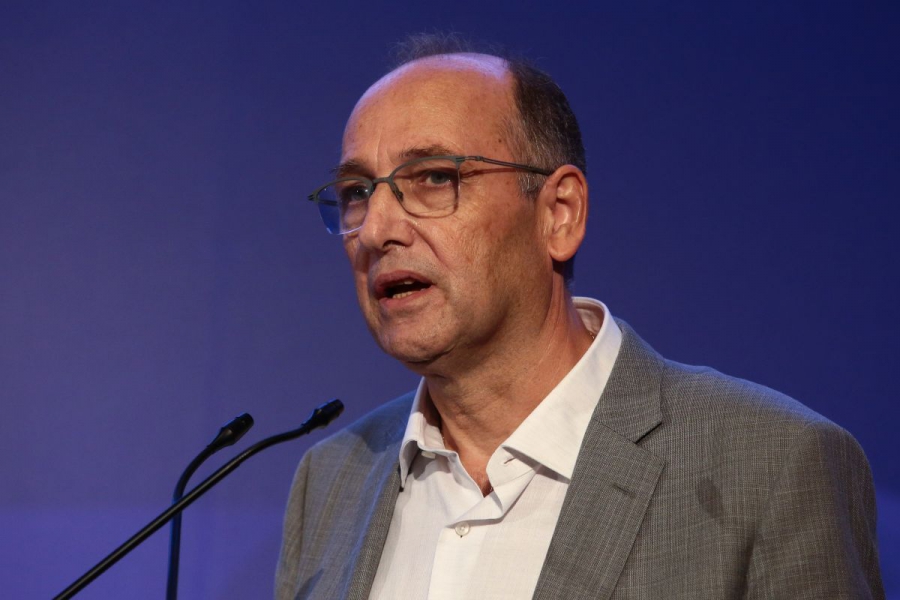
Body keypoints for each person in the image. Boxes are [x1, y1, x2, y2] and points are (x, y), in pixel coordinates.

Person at [275, 35, 883, 599]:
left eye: (435, 177)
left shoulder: (770, 464)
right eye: (357, 192)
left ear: (559, 214)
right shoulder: (329, 481)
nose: (375, 230)